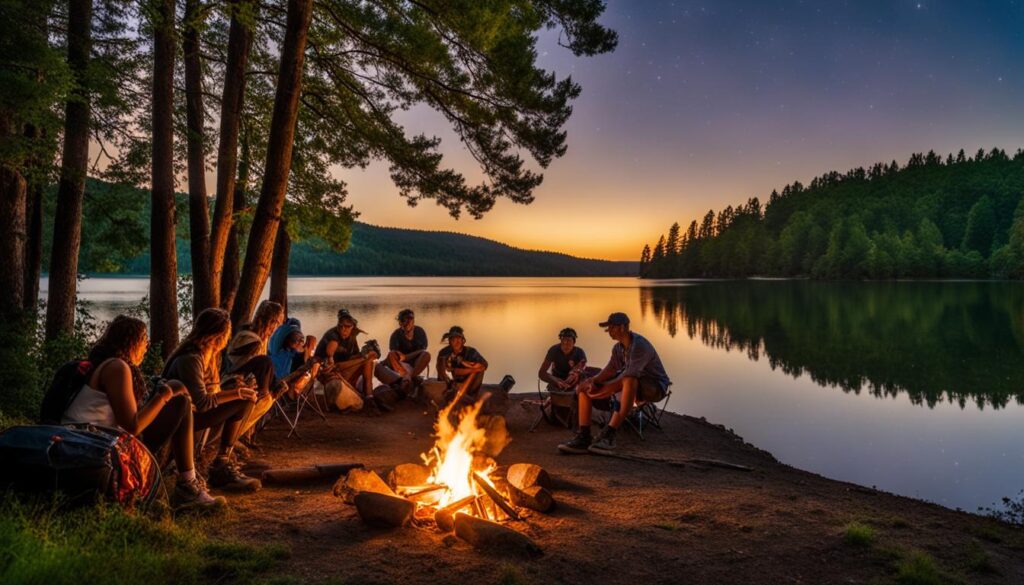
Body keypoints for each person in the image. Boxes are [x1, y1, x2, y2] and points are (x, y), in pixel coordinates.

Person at [61, 315, 221, 509]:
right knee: (180, 404)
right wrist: (164, 395)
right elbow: (133, 425)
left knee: (180, 399)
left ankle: (182, 480)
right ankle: (187, 486)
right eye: (144, 340)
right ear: (133, 342)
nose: (147, 346)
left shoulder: (108, 365)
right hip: (93, 446)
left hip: (93, 440)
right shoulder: (117, 367)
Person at [163, 308, 262, 491]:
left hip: (194, 415)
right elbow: (203, 403)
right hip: (182, 420)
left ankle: (223, 461)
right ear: (219, 334)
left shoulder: (208, 356)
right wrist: (238, 393)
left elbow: (212, 393)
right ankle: (221, 465)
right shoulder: (190, 359)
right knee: (244, 401)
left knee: (245, 398)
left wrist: (235, 388)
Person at [558, 312, 671, 455]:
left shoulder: (639, 346)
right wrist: (592, 382)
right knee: (585, 386)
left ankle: (609, 435)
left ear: (623, 327)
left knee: (628, 380)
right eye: (608, 328)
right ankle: (584, 436)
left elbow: (628, 375)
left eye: (611, 327)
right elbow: (610, 370)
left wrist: (604, 391)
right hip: (630, 385)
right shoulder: (618, 348)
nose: (608, 331)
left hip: (655, 387)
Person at [225, 300, 289, 435]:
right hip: (233, 385)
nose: (276, 328)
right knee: (264, 399)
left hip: (248, 385)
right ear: (269, 321)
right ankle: (235, 435)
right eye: (275, 323)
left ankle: (243, 435)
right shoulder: (249, 340)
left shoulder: (260, 339)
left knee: (268, 397)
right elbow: (238, 368)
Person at [314, 309, 378, 408]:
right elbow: (331, 359)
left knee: (368, 361)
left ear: (352, 327)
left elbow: (352, 357)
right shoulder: (333, 336)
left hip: (342, 369)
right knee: (366, 360)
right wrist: (364, 358)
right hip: (330, 372)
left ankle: (369, 397)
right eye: (341, 325)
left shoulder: (351, 337)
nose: (343, 328)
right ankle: (367, 397)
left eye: (347, 326)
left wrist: (365, 353)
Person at [435, 326, 488, 405]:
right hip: (453, 384)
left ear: (463, 340)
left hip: (469, 384)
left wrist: (470, 366)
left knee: (480, 370)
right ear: (449, 341)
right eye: (453, 339)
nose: (457, 342)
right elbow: (454, 372)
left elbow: (485, 365)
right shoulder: (444, 353)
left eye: (459, 339)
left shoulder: (471, 352)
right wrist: (474, 369)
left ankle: (471, 395)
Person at [269, 317, 318, 392]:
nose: (300, 343)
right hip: (281, 381)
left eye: (301, 340)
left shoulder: (279, 335)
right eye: (297, 341)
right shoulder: (284, 352)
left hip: (278, 375)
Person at [386, 309, 430, 390]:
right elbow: (395, 354)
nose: (407, 323)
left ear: (413, 321)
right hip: (401, 365)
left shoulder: (420, 331)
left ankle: (410, 377)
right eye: (404, 320)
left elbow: (423, 350)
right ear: (400, 323)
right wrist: (404, 358)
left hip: (416, 363)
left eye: (410, 320)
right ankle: (407, 378)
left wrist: (406, 357)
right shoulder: (396, 335)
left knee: (426, 355)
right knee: (391, 355)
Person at [538, 327, 590, 391]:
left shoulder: (579, 352)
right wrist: (555, 380)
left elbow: (583, 366)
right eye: (563, 340)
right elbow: (541, 373)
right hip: (556, 379)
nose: (565, 344)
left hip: (574, 380)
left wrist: (575, 374)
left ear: (574, 342)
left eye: (569, 341)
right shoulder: (554, 350)